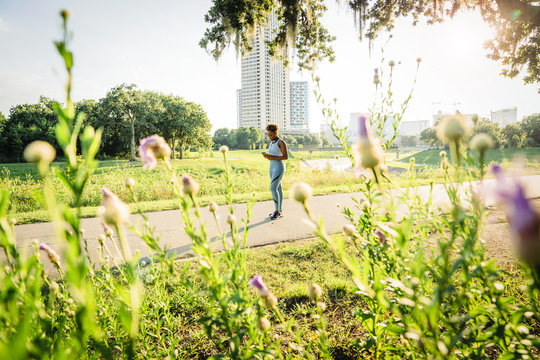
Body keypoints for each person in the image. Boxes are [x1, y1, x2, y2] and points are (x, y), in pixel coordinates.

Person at [262, 123, 288, 220]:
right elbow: (273, 154)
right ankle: (279, 210)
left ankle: (277, 211)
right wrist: (267, 156)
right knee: (278, 188)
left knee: (273, 188)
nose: (269, 137)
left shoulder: (281, 142)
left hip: (279, 167)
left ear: (275, 132)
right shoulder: (272, 143)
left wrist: (271, 157)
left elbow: (285, 157)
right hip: (272, 167)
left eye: (271, 135)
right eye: (268, 135)